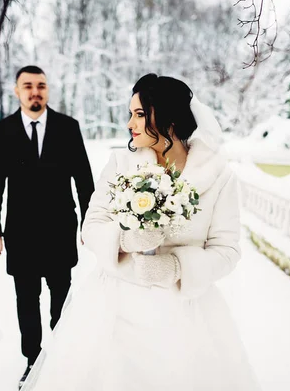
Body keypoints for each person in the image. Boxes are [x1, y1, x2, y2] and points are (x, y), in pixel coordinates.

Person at [19, 73, 262, 390]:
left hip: (184, 313)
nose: (129, 124)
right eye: (130, 114)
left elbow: (227, 251)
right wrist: (123, 239)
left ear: (167, 116)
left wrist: (177, 267)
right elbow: (93, 224)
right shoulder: (121, 162)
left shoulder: (218, 176)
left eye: (139, 114)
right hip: (115, 307)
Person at [0, 65, 95, 389]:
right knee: (27, 304)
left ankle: (61, 358)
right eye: (28, 86)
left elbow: (84, 181)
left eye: (41, 85)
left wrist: (89, 223)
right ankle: (33, 361)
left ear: (48, 90)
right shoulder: (2, 131)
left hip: (60, 233)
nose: (35, 91)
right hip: (21, 235)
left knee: (61, 302)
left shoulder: (68, 127)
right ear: (17, 91)